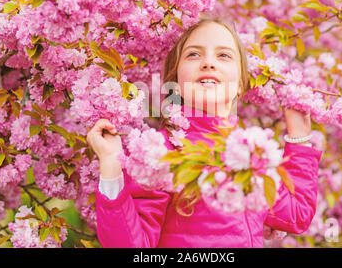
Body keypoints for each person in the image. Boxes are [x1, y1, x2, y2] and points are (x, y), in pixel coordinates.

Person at [86, 18, 323, 247]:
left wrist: (300, 138)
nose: (208, 63)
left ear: (241, 85)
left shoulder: (253, 152)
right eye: (194, 54)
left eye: (223, 55)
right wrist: (110, 165)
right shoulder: (159, 152)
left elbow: (296, 215)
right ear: (176, 83)